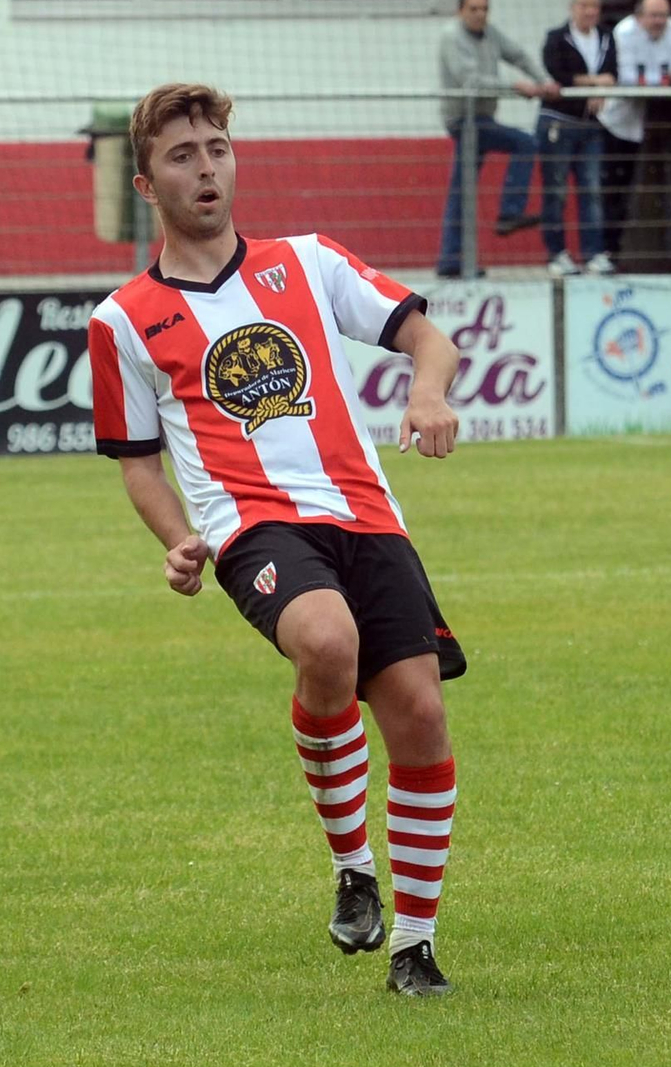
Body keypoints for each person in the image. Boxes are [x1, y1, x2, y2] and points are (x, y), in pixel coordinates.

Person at [88, 83, 470, 997]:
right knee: (327, 641)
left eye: (217, 147)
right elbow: (138, 460)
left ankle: (413, 948)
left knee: (418, 713)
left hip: (367, 514)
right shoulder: (122, 318)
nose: (205, 167)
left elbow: (427, 336)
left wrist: (427, 389)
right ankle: (352, 864)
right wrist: (179, 537)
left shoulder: (306, 260)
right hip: (250, 522)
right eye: (182, 156)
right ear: (148, 184)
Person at [436, 0, 559, 278]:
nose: (480, 14)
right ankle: (509, 212)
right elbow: (470, 79)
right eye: (473, 9)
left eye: (484, 9)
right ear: (460, 11)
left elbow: (517, 55)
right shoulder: (451, 36)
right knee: (525, 142)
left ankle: (450, 260)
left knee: (462, 191)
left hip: (481, 118)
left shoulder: (490, 34)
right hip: (464, 120)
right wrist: (515, 86)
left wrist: (543, 80)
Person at [602, 0, 671, 273]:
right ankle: (614, 252)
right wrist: (663, 82)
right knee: (619, 190)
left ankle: (660, 252)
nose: (659, 21)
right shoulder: (623, 32)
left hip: (660, 122)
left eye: (663, 15)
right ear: (639, 16)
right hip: (623, 124)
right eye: (653, 15)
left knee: (661, 190)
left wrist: (663, 82)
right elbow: (627, 80)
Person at [538, 0, 618, 277]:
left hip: (592, 125)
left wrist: (599, 87)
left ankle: (593, 253)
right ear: (572, 8)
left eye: (594, 6)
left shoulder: (607, 37)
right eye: (584, 6)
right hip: (559, 122)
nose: (590, 12)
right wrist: (595, 83)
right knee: (556, 191)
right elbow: (559, 73)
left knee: (592, 190)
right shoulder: (557, 38)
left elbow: (614, 74)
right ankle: (556, 253)